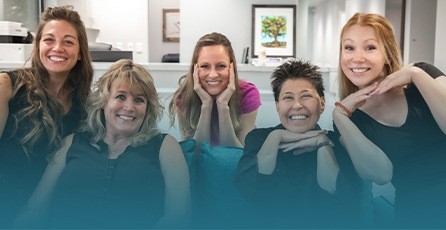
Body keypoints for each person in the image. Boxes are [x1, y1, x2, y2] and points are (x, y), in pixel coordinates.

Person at [15, 59, 191, 228]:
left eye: (139, 100)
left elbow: (178, 216)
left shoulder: (165, 147)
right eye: (120, 97)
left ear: (148, 108)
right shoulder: (70, 144)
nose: (129, 107)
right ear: (103, 102)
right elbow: (35, 209)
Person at [333, 12, 446, 227]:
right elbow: (381, 174)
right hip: (418, 214)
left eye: (370, 47)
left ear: (387, 54)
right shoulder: (349, 119)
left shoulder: (423, 73)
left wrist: (416, 75)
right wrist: (339, 116)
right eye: (348, 48)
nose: (357, 58)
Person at [234, 59, 371, 228]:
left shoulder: (338, 142)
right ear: (277, 106)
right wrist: (275, 137)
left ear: (322, 104)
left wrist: (322, 144)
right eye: (287, 98)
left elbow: (338, 202)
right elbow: (251, 188)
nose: (297, 105)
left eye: (306, 96)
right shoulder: (259, 138)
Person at [0, 5, 93, 227]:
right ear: (38, 46)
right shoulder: (8, 86)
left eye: (68, 41)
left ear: (80, 53)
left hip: (51, 211)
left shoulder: (85, 106)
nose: (57, 48)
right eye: (49, 39)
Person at [169, 32, 261, 148]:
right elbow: (194, 155)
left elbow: (238, 156)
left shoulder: (247, 94)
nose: (212, 74)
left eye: (221, 66)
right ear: (195, 69)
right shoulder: (184, 97)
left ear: (231, 68)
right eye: (205, 66)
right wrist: (206, 105)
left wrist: (222, 105)